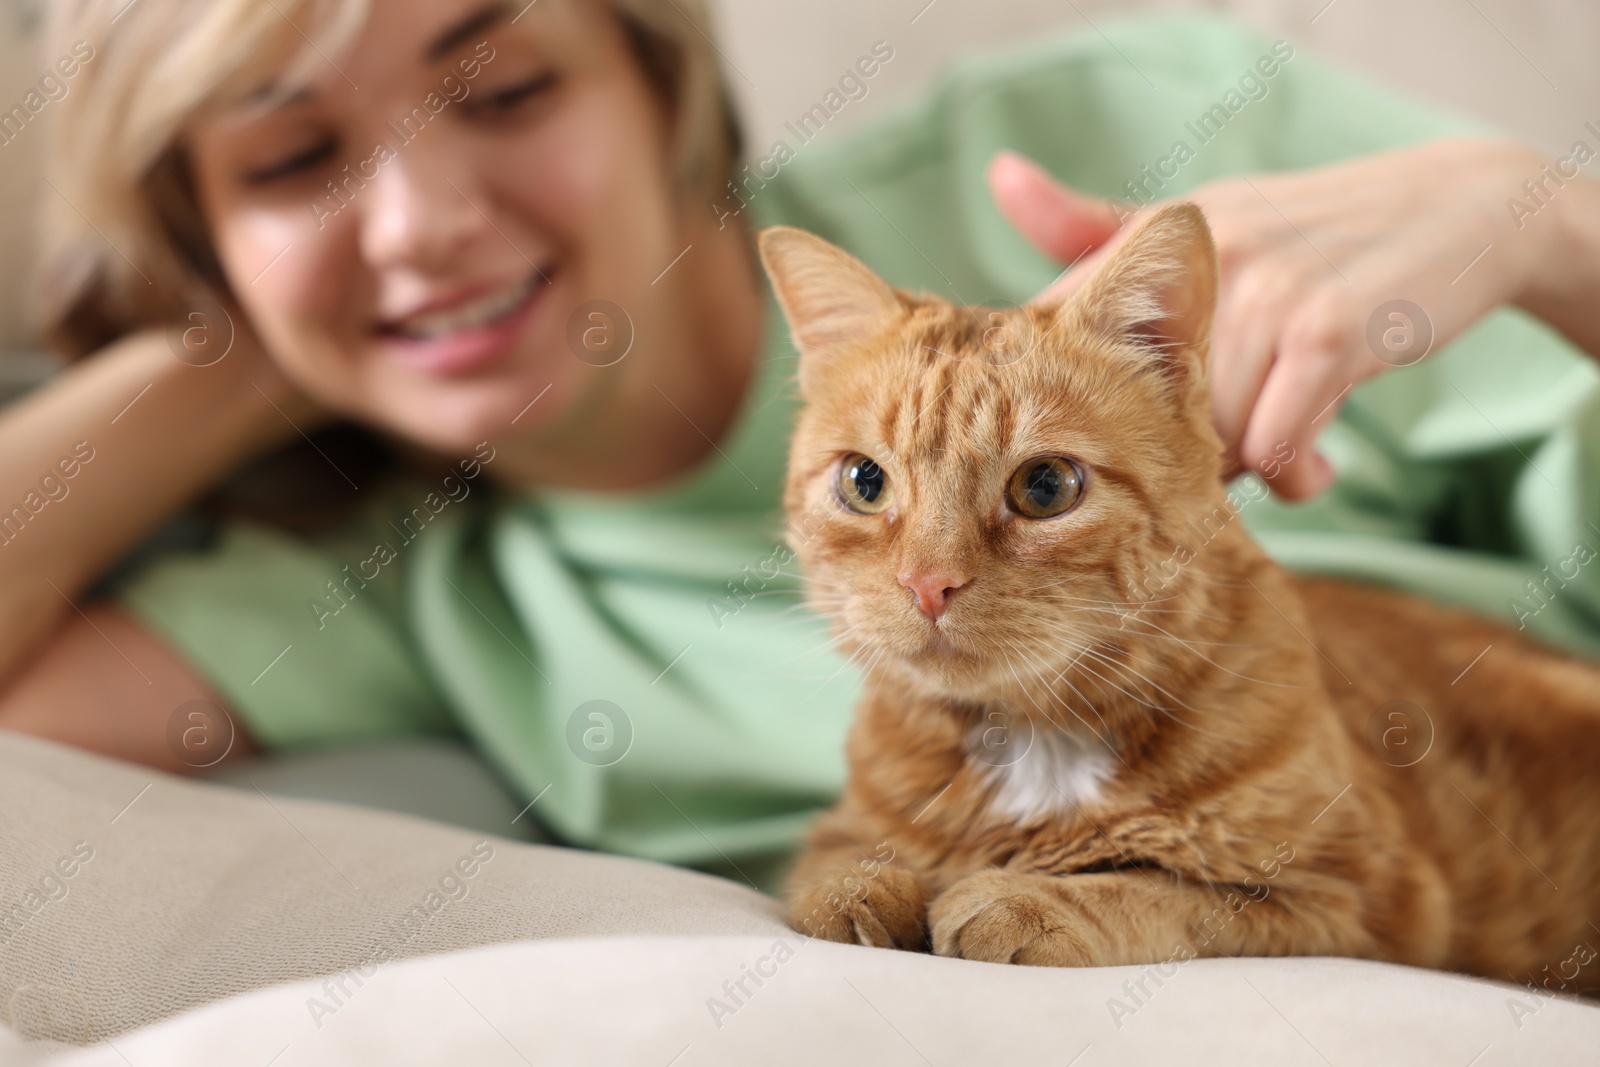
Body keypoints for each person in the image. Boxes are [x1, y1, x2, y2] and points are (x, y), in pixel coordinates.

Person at [1, 0, 1596, 891]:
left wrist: (1554, 233)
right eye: (290, 156)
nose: (426, 220)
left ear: (658, 78)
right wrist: (240, 337)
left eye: (496, 88)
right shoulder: (395, 575)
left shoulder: (1121, 140)